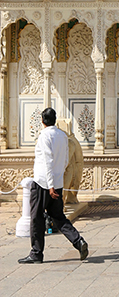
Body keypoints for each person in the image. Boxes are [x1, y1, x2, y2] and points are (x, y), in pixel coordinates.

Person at [18, 107, 89, 264]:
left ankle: (36, 253)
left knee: (36, 218)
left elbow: (47, 161)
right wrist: (57, 181)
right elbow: (65, 160)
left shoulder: (44, 136)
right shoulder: (62, 136)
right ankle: (79, 242)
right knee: (58, 217)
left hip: (44, 183)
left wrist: (49, 186)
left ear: (42, 121)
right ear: (54, 120)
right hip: (56, 183)